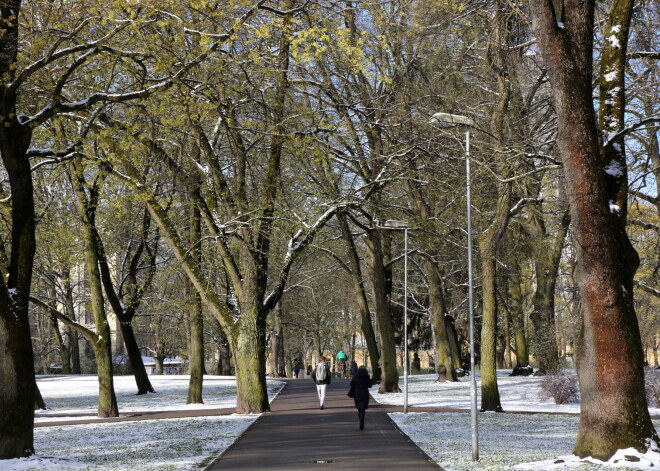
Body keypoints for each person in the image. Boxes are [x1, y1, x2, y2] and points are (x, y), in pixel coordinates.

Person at [350, 365, 372, 430]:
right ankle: (362, 422)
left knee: (359, 408)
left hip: (357, 394)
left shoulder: (355, 376)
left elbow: (351, 384)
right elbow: (370, 385)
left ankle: (360, 421)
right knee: (363, 409)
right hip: (365, 394)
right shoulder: (367, 376)